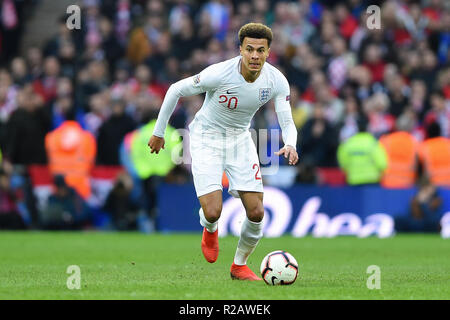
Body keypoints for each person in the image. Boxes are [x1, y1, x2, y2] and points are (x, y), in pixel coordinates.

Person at [148, 23, 298, 281]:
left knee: (257, 212)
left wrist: (291, 142)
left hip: (240, 141)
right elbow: (175, 90)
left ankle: (239, 265)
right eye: (249, 49)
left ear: (268, 53)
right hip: (206, 138)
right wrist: (159, 132)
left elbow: (286, 119)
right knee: (213, 211)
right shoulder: (219, 73)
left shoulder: (276, 80)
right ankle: (210, 227)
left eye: (260, 50)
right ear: (240, 49)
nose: (254, 55)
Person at [337, 119, 387, 185]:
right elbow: (382, 164)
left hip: (353, 180)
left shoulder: (348, 144)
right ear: (368, 128)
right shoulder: (373, 143)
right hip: (371, 180)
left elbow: (343, 163)